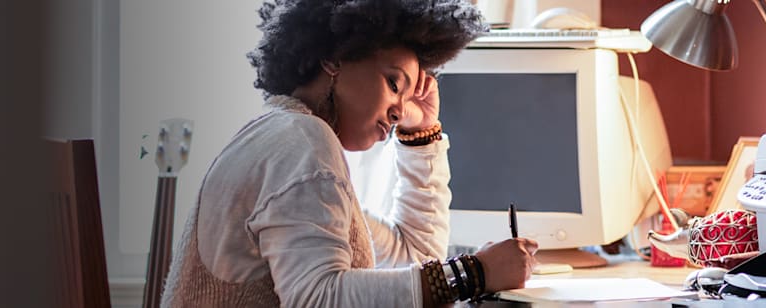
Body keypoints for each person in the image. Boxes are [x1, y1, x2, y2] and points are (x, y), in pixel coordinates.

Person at [160, 0, 540, 307]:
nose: (398, 110)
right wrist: (472, 273)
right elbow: (319, 298)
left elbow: (414, 255)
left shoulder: (282, 132)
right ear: (334, 58)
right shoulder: (301, 141)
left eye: (405, 98)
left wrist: (420, 134)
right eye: (394, 83)